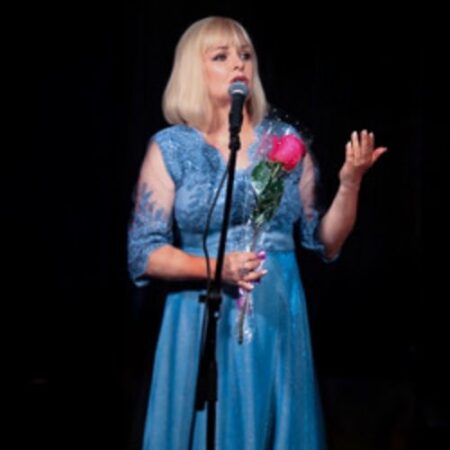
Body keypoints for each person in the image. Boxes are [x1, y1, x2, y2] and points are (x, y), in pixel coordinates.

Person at [127, 16, 387, 450]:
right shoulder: (171, 147)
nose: (238, 64)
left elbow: (325, 241)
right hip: (199, 316)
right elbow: (143, 252)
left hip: (274, 313)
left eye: (245, 55)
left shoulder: (285, 142)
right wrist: (215, 268)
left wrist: (350, 183)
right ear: (193, 68)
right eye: (221, 56)